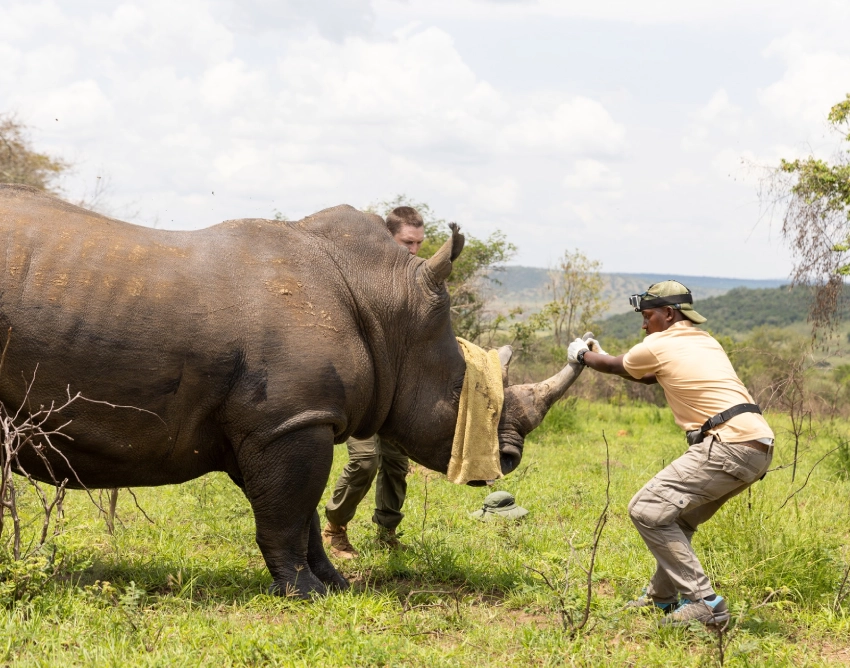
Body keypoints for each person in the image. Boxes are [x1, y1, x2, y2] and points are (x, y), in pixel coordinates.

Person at [567, 280, 774, 627]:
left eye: (648, 316)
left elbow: (619, 366)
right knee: (677, 518)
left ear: (668, 313)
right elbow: (649, 377)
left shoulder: (660, 342)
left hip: (728, 444)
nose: (644, 324)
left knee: (645, 509)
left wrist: (583, 355)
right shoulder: (705, 341)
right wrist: (599, 357)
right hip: (758, 446)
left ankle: (705, 602)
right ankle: (662, 600)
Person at [321, 206, 425, 559]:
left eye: (419, 243)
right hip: (364, 387)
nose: (413, 250)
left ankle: (387, 530)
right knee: (366, 460)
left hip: (397, 391)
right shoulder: (361, 276)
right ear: (387, 238)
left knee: (396, 463)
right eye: (406, 242)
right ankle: (334, 527)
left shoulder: (420, 280)